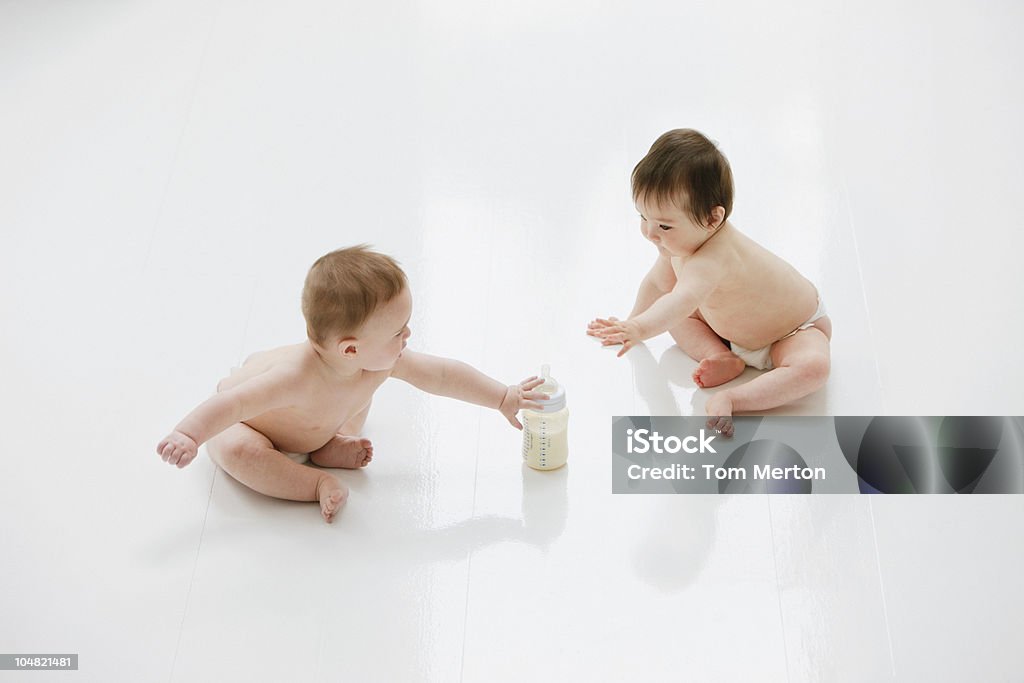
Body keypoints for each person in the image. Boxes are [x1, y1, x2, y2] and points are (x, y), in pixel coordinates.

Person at [157, 245, 546, 522]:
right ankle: (314, 481)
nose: (407, 334)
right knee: (239, 451)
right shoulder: (292, 379)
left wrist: (503, 397)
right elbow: (233, 406)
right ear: (349, 350)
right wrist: (187, 434)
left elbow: (441, 375)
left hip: (318, 420)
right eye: (397, 332)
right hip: (246, 423)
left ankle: (332, 442)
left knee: (359, 396)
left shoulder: (374, 363)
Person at [588, 129, 832, 436]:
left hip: (791, 332)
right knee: (673, 315)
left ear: (712, 219)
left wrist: (641, 327)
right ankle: (719, 355)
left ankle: (732, 398)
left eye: (664, 224)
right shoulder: (676, 245)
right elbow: (657, 285)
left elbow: (679, 300)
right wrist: (632, 323)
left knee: (814, 368)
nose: (651, 233)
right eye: (642, 217)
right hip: (728, 330)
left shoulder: (714, 257)